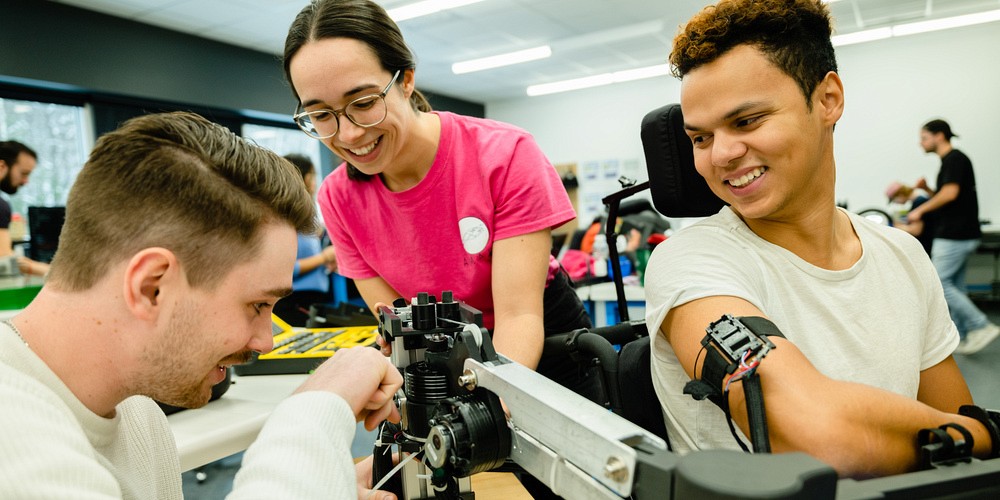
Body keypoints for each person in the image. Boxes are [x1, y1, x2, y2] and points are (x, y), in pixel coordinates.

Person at [644, 0, 998, 478]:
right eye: (700, 138)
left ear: (828, 99)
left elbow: (959, 439)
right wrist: (989, 435)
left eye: (747, 121)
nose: (721, 154)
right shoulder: (691, 261)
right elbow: (820, 440)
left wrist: (966, 437)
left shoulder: (902, 254)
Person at [0, 111, 402, 499]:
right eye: (258, 305)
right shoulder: (13, 436)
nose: (266, 343)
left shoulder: (136, 407)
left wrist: (320, 484)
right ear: (152, 287)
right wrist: (319, 407)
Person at [282, 0, 596, 402]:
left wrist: (482, 414)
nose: (348, 135)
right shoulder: (339, 197)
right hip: (439, 350)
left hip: (542, 340)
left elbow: (520, 316)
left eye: (363, 104)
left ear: (406, 79)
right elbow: (401, 326)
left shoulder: (504, 154)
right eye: (322, 115)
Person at [905, 119, 999, 355]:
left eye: (924, 137)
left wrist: (919, 209)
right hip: (961, 234)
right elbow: (948, 196)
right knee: (955, 286)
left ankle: (981, 325)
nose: (921, 143)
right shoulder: (950, 161)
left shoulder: (955, 159)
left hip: (954, 235)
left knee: (939, 285)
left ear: (939, 136)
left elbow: (950, 193)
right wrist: (927, 191)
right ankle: (963, 336)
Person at [272, 153, 339, 326]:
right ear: (305, 178)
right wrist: (324, 257)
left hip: (313, 301)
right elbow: (286, 268)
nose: (316, 182)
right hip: (294, 303)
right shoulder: (284, 219)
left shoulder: (306, 220)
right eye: (313, 176)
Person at [0, 140, 37, 257]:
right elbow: (4, 261)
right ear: (1, 167)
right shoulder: (1, 207)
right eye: (24, 173)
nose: (26, 181)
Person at [885, 181, 935, 255]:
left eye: (894, 200)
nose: (896, 203)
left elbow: (916, 230)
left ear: (900, 194)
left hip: (927, 245)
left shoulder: (919, 202)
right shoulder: (921, 200)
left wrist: (894, 226)